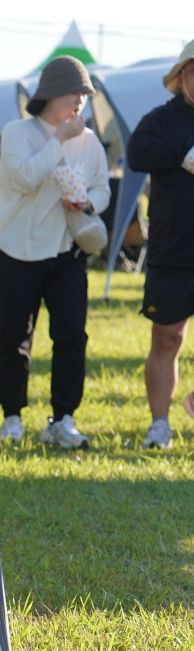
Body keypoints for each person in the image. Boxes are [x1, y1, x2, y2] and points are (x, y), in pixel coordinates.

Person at [0, 56, 109, 448]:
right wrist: (59, 140)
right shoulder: (18, 132)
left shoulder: (90, 142)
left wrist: (87, 202)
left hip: (67, 252)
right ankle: (11, 417)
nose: (81, 103)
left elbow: (104, 189)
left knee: (72, 334)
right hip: (17, 250)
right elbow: (24, 178)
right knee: (13, 337)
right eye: (77, 93)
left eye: (86, 96)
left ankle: (63, 418)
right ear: (53, 94)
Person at [127, 40, 194, 449]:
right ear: (181, 76)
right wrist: (182, 153)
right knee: (166, 338)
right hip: (173, 248)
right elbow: (136, 154)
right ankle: (159, 424)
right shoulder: (161, 120)